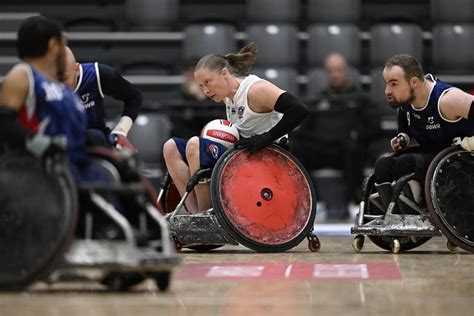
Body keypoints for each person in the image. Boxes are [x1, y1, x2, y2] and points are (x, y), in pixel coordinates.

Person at [163, 42, 309, 214]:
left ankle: (204, 214)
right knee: (171, 147)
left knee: (195, 144)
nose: (206, 91)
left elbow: (300, 110)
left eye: (208, 82)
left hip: (268, 155)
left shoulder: (255, 90)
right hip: (242, 154)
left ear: (224, 73)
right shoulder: (227, 96)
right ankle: (192, 213)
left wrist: (267, 137)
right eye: (201, 86)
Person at [374, 54, 474, 210]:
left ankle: (410, 203)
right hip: (435, 159)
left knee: (405, 163)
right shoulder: (406, 101)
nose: (387, 90)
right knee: (383, 165)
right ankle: (394, 216)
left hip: (461, 163)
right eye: (386, 84)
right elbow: (404, 122)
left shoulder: (448, 100)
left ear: (414, 82)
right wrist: (404, 137)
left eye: (393, 84)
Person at [0, 16, 90, 181]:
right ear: (53, 45)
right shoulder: (23, 74)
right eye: (64, 46)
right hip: (35, 174)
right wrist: (42, 145)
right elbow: (4, 123)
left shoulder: (62, 87)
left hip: (72, 169)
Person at [293, 52, 380, 219]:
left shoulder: (361, 99)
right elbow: (303, 130)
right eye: (331, 70)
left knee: (355, 149)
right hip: (321, 150)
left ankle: (354, 202)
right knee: (296, 147)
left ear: (346, 71)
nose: (335, 74)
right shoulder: (316, 100)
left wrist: (359, 135)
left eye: (338, 70)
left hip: (348, 149)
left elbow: (375, 128)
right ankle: (314, 202)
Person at [62, 46, 142, 152]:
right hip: (61, 142)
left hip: (95, 142)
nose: (58, 85)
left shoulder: (96, 75)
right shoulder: (41, 85)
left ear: (76, 69)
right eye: (52, 78)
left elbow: (134, 97)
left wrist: (120, 131)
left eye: (63, 78)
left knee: (94, 136)